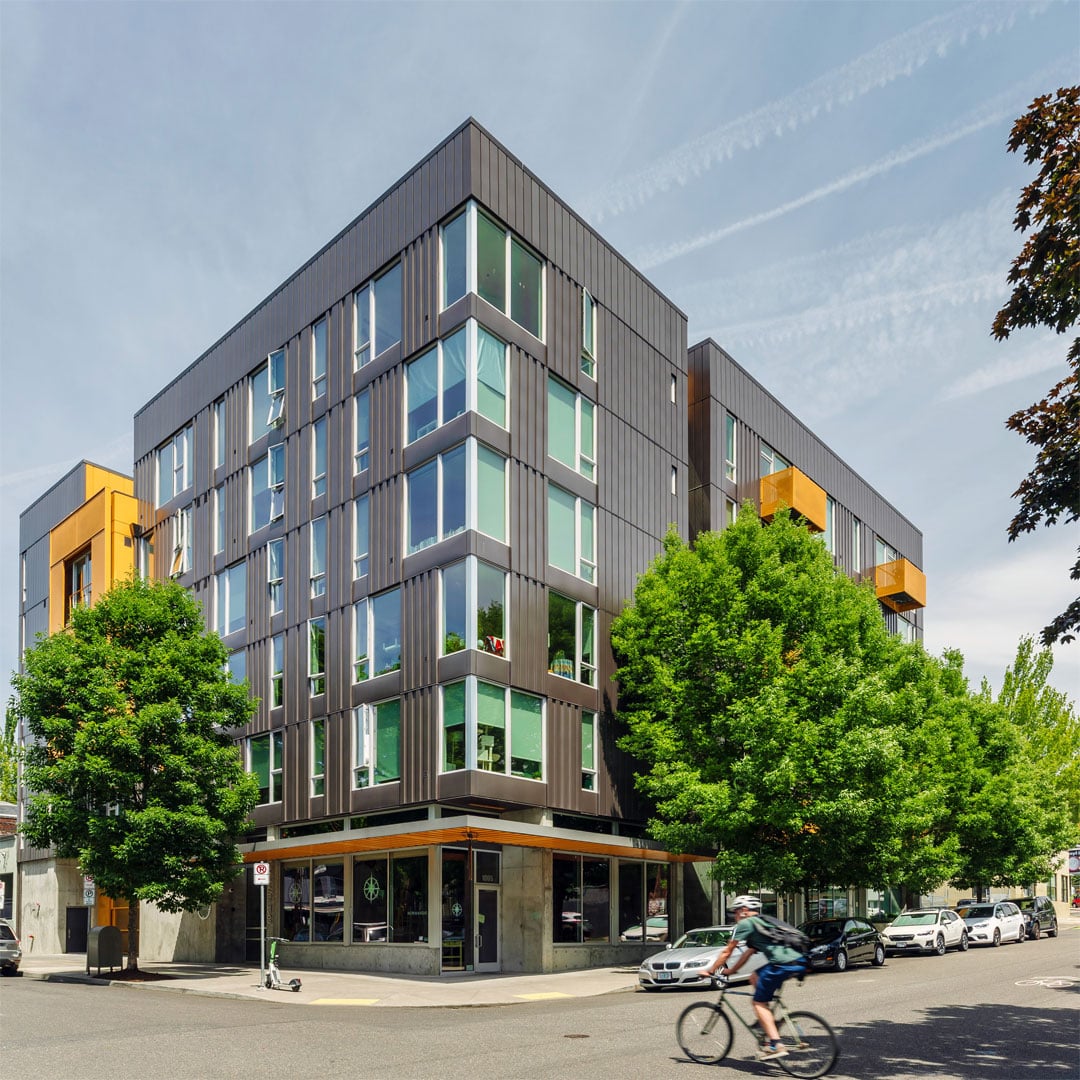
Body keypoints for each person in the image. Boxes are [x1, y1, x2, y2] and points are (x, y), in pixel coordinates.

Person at [703, 895, 808, 1062]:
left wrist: (711, 970)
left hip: (781, 964)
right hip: (799, 961)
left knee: (757, 1002)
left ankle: (775, 1044)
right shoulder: (762, 923)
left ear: (744, 911)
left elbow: (727, 951)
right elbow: (748, 952)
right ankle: (768, 1023)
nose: (734, 916)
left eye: (735, 912)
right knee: (754, 976)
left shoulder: (745, 924)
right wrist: (731, 971)